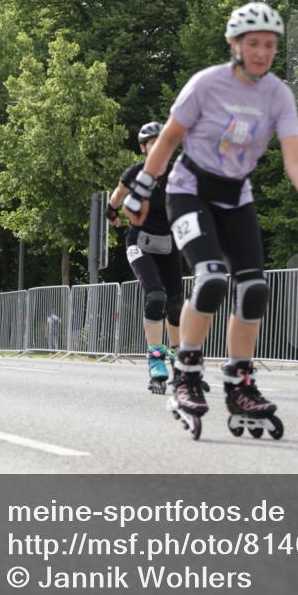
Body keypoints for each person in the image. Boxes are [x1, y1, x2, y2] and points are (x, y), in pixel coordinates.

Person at [123, 2, 298, 438]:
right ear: (235, 45)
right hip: (189, 191)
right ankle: (185, 372)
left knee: (254, 288)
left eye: (270, 45)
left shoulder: (278, 93)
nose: (262, 53)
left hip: (236, 197)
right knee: (213, 278)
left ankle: (240, 382)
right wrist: (142, 187)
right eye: (253, 44)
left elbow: (294, 153)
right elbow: (168, 139)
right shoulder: (206, 84)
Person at [108, 122, 183, 393]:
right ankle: (155, 359)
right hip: (138, 242)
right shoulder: (136, 173)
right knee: (156, 297)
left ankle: (178, 357)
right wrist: (111, 212)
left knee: (175, 306)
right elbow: (117, 196)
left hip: (168, 243)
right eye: (152, 143)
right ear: (143, 148)